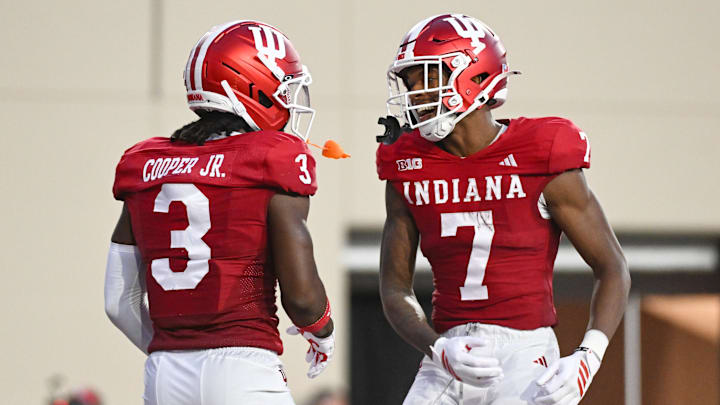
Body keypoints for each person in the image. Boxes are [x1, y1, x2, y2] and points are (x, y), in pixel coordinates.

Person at [376, 13, 630, 405]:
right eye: (410, 82)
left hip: (525, 352)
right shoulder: (406, 162)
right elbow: (395, 288)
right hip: (449, 354)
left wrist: (589, 355)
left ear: (475, 76)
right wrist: (435, 347)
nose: (415, 94)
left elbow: (612, 266)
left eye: (427, 78)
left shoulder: (541, 150)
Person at [104, 20, 335, 405]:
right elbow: (302, 296)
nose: (289, 99)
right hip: (243, 367)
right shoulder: (271, 157)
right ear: (252, 87)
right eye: (284, 87)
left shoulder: (146, 163)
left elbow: (118, 301)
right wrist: (322, 331)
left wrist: (174, 352)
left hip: (164, 375)